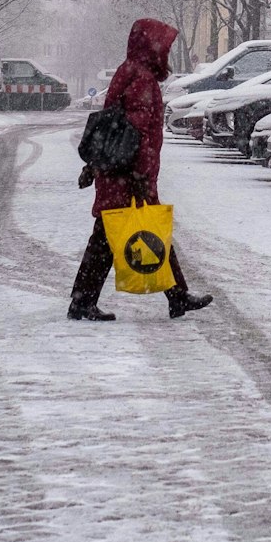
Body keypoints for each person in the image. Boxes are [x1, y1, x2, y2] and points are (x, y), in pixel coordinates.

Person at [69, 18, 213, 321]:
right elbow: (137, 133)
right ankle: (174, 296)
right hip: (128, 175)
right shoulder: (142, 78)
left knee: (129, 233)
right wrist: (141, 176)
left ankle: (176, 295)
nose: (166, 54)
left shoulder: (131, 71)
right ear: (150, 47)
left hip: (119, 173)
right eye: (163, 47)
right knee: (134, 234)